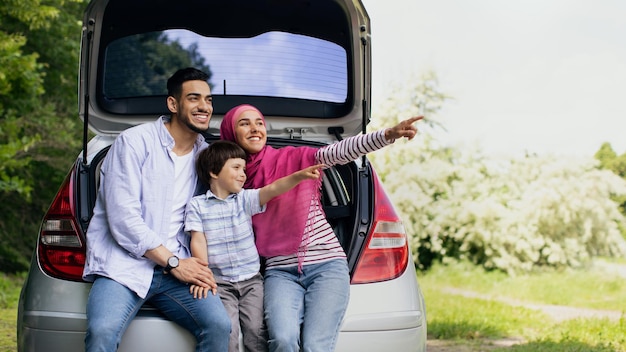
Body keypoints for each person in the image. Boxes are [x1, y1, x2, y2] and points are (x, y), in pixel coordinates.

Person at [220, 104, 422, 352]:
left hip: (327, 266)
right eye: (244, 123)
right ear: (231, 132)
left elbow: (339, 151)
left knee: (316, 346)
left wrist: (387, 134)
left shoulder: (294, 158)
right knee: (282, 340)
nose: (254, 128)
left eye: (259, 122)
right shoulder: (227, 179)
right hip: (280, 271)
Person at [82, 67, 231, 352]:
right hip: (124, 266)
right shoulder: (134, 142)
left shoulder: (207, 156)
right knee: (101, 331)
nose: (204, 107)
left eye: (209, 100)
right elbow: (123, 219)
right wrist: (174, 263)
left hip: (178, 270)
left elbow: (225, 202)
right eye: (194, 98)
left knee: (218, 326)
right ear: (173, 104)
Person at [184, 140, 325, 352]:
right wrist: (202, 274)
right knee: (227, 331)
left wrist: (299, 176)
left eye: (244, 168)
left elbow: (273, 188)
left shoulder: (244, 199)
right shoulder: (197, 205)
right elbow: (198, 239)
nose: (243, 174)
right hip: (220, 284)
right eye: (236, 168)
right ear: (214, 172)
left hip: (251, 281)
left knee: (257, 331)